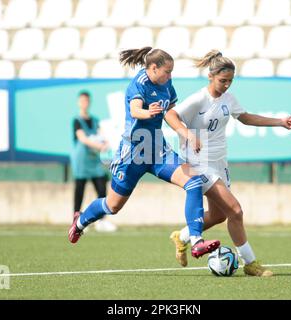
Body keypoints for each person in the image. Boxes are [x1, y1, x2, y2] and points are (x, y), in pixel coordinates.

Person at [68, 47, 220, 258]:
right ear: (154, 68)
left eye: (171, 72)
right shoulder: (138, 84)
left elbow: (169, 112)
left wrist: (185, 133)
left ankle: (196, 242)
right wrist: (149, 113)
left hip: (158, 149)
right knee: (112, 206)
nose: (170, 76)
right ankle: (81, 221)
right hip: (133, 153)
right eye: (167, 71)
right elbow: (134, 110)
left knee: (194, 181)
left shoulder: (166, 83)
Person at [165, 50, 291, 276]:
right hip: (199, 163)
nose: (226, 85)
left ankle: (182, 236)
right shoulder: (199, 99)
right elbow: (170, 115)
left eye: (230, 81)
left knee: (219, 215)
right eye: (222, 81)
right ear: (211, 76)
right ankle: (251, 263)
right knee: (235, 210)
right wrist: (187, 134)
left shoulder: (228, 99)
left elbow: (245, 117)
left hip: (219, 163)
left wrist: (280, 122)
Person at [70, 91, 117, 233]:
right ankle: (76, 222)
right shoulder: (77, 120)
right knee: (80, 191)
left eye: (86, 100)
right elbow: (83, 138)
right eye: (82, 100)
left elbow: (102, 134)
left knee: (102, 188)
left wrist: (107, 143)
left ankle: (101, 220)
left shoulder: (95, 120)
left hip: (94, 160)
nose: (84, 103)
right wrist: (99, 146)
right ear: (79, 102)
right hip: (82, 160)